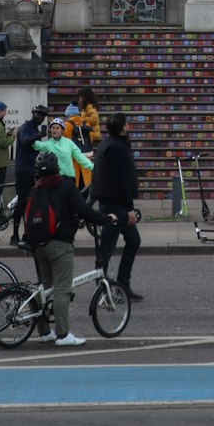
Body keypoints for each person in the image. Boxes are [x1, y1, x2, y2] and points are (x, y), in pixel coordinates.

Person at [27, 151, 116, 346]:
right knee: (62, 290)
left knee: (46, 289)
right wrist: (106, 218)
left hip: (38, 245)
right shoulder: (65, 186)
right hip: (60, 244)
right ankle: (62, 334)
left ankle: (44, 332)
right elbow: (84, 211)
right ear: (57, 167)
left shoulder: (35, 189)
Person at [89, 113, 143, 301]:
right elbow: (122, 180)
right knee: (107, 248)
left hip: (111, 202)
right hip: (116, 205)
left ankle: (122, 284)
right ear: (122, 127)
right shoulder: (117, 148)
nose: (129, 126)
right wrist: (129, 208)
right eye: (127, 123)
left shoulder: (108, 144)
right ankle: (103, 288)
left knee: (132, 240)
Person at [12, 104, 48, 246]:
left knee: (33, 202)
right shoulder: (25, 127)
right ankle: (14, 235)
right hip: (23, 170)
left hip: (33, 170)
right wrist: (38, 136)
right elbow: (26, 141)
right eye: (38, 114)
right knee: (21, 202)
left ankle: (30, 232)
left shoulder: (34, 129)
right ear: (33, 114)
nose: (40, 117)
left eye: (42, 116)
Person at [34, 115, 94, 183]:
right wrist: (32, 135)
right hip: (56, 179)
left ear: (62, 130)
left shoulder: (69, 143)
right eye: (53, 128)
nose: (55, 130)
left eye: (57, 128)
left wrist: (92, 167)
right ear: (50, 130)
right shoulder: (47, 144)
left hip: (70, 178)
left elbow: (80, 157)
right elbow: (35, 144)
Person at [76, 86, 102, 150]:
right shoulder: (85, 108)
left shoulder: (89, 106)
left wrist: (81, 120)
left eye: (80, 98)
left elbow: (94, 119)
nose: (79, 100)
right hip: (89, 137)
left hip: (92, 137)